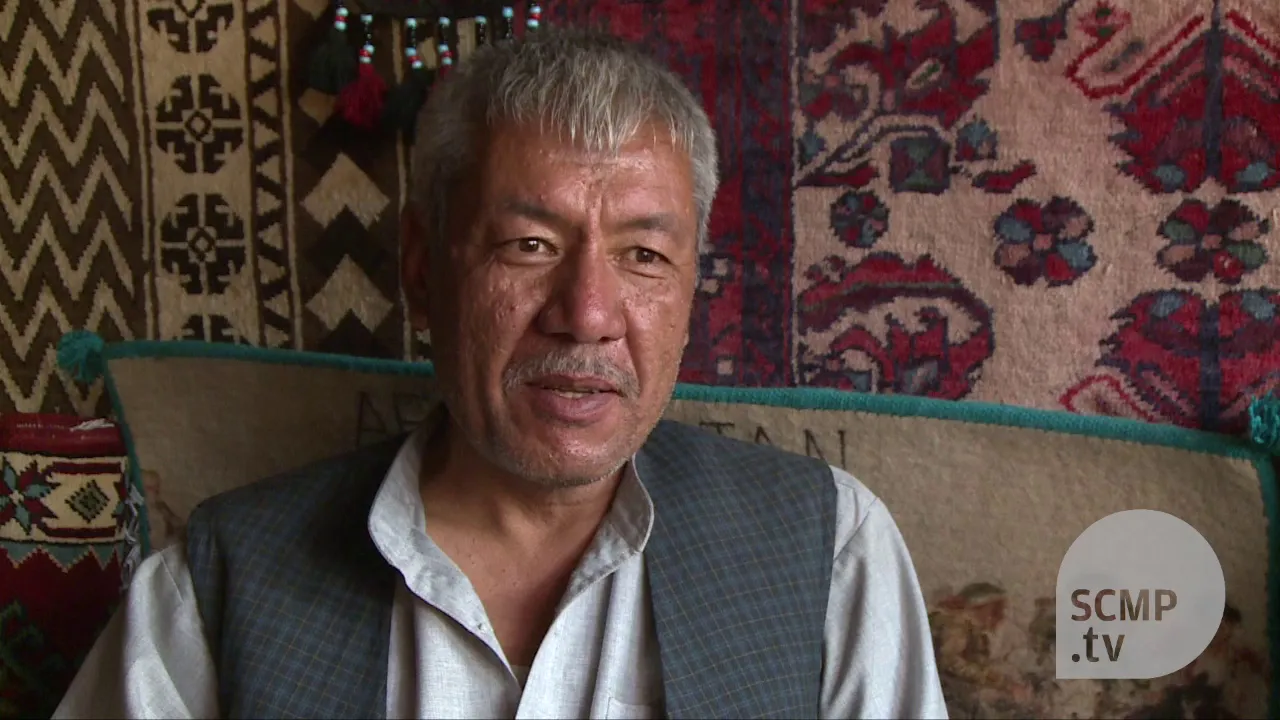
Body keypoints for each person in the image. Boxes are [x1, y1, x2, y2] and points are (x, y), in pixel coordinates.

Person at [53, 27, 947, 719]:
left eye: (643, 256)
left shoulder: (830, 552)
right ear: (421, 269)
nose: (587, 315)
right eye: (529, 245)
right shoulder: (219, 585)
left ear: (690, 292)